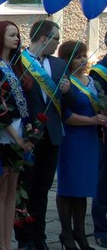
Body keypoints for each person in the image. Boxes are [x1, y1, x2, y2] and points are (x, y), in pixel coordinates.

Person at [15, 20, 70, 250]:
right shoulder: (18, 61)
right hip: (28, 135)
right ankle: (25, 238)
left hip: (52, 135)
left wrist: (67, 91)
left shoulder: (59, 64)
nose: (58, 43)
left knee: (42, 189)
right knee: (24, 188)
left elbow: (66, 102)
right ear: (44, 38)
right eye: (56, 39)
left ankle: (40, 236)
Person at [0, 21, 34, 250]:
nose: (16, 39)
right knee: (0, 189)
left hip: (20, 129)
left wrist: (29, 130)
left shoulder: (15, 65)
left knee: (12, 188)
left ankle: (7, 241)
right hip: (5, 133)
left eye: (17, 35)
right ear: (0, 37)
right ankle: (0, 243)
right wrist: (16, 137)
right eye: (12, 35)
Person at [56, 41, 105, 250]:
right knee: (69, 187)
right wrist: (92, 120)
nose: (83, 60)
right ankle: (66, 234)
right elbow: (65, 115)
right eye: (78, 57)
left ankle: (80, 233)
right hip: (72, 139)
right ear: (67, 60)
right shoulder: (65, 82)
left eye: (84, 55)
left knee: (83, 187)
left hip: (90, 139)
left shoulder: (91, 81)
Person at [90, 31, 107, 248]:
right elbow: (99, 103)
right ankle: (101, 228)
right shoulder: (100, 71)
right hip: (105, 133)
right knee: (104, 181)